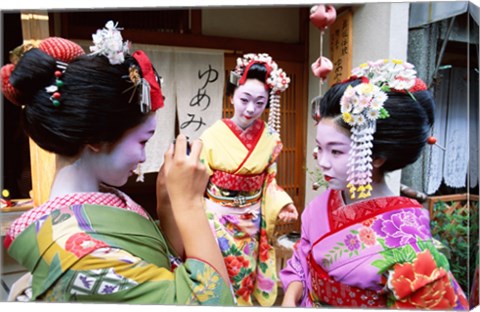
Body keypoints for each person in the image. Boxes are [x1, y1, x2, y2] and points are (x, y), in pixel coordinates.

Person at [2, 21, 234, 305]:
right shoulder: (77, 255)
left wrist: (168, 206)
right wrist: (191, 204)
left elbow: (158, 264)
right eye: (142, 141)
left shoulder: (105, 197)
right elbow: (212, 303)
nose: (143, 157)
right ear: (97, 139)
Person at [279, 59, 469, 309]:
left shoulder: (408, 239)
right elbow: (303, 257)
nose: (322, 162)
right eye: (319, 148)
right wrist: (291, 297)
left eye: (336, 152)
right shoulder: (323, 204)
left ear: (377, 157)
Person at [158, 53, 298, 306]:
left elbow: (270, 182)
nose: (250, 109)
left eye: (259, 102)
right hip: (217, 219)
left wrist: (284, 204)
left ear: (267, 103)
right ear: (232, 96)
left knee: (244, 274)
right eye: (244, 99)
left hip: (251, 222)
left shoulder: (270, 139)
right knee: (217, 271)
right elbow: (194, 184)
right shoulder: (211, 136)